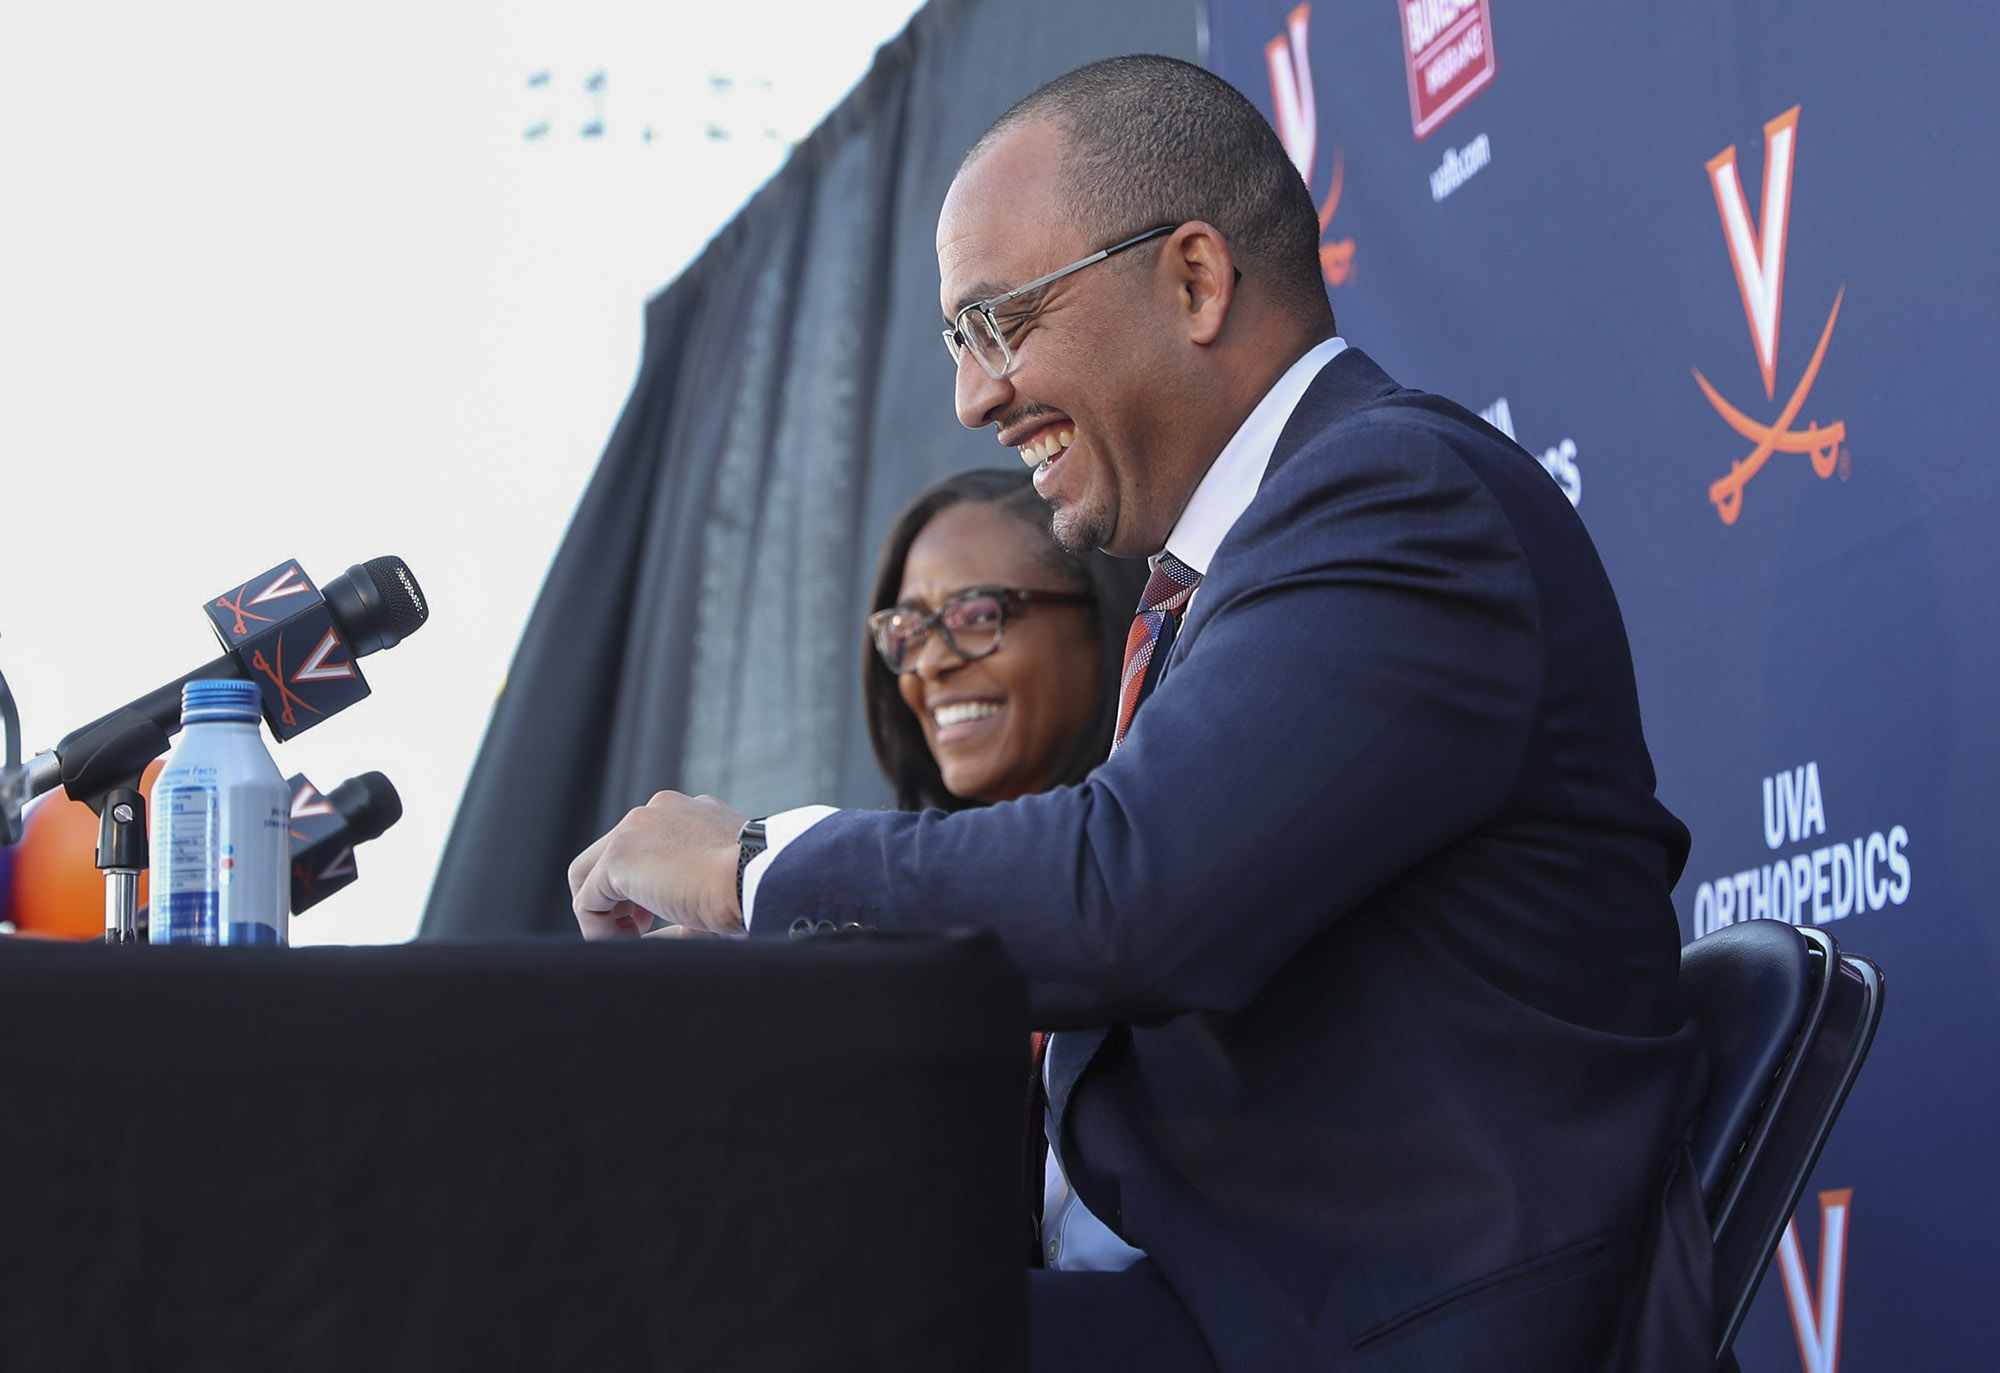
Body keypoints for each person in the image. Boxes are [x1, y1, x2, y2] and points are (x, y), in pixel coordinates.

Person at [568, 55, 1710, 1373]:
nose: (973, 396)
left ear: (1194, 280)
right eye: (957, 340)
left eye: (1001, 323)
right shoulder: (1238, 571)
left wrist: (753, 868)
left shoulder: (1402, 499)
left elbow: (1129, 888)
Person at [862, 467, 1147, 813]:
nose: (930, 664)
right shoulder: (914, 864)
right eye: (909, 629)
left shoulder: (1174, 851)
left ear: (1099, 616)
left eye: (976, 616)